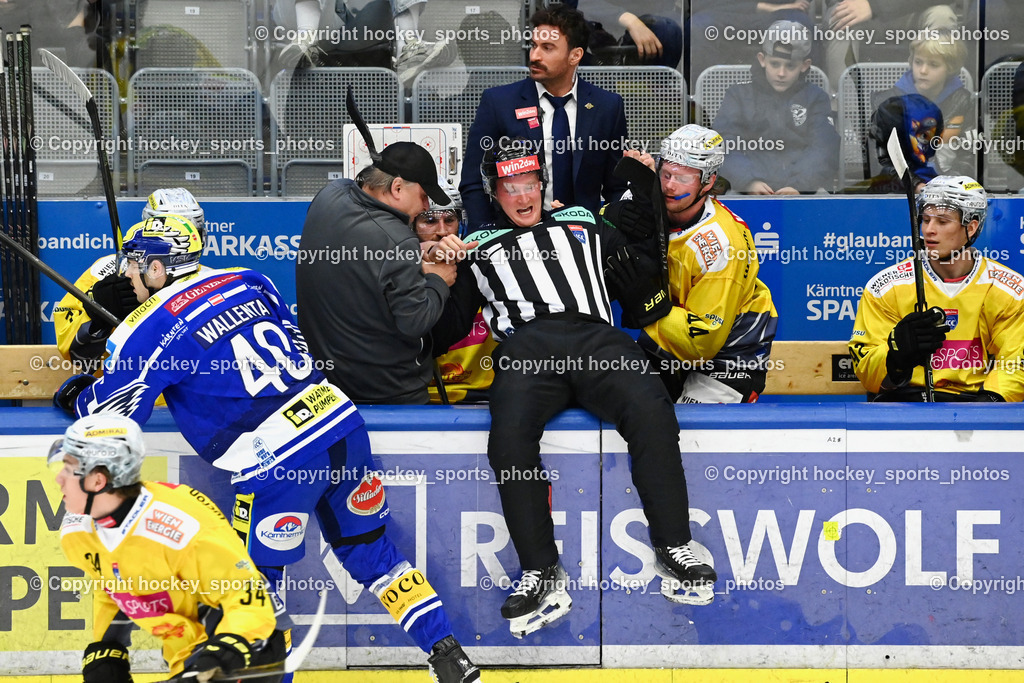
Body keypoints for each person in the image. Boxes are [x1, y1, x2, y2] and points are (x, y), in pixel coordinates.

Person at [52, 214, 481, 683]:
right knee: (372, 552)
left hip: (276, 459)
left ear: (158, 269)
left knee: (253, 591)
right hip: (340, 424)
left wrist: (75, 392)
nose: (127, 275)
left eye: (134, 265)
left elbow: (110, 420)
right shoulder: (248, 278)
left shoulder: (147, 327)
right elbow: (294, 344)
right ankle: (451, 658)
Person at [438, 138, 716, 638]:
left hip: (597, 340)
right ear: (493, 193)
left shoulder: (584, 220)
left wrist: (640, 253)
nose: (523, 197)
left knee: (652, 409)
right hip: (528, 348)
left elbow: (641, 276)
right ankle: (539, 568)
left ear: (543, 185)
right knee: (508, 437)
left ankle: (675, 543)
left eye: (530, 184)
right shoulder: (475, 245)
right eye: (510, 188)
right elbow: (443, 330)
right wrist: (442, 271)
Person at [50, 414, 287, 682]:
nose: (59, 478)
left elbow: (249, 598)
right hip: (184, 651)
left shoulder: (182, 530)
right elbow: (114, 582)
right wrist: (107, 648)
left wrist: (218, 658)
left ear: (98, 480)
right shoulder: (78, 534)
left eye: (69, 469)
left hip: (250, 645)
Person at [602, 124, 778, 403]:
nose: (670, 185)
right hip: (668, 343)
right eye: (666, 173)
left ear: (708, 182)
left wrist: (647, 304)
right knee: (621, 400)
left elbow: (701, 344)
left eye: (683, 178)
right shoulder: (649, 200)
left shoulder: (722, 245)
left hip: (729, 358)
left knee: (697, 429)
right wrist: (609, 215)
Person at [296, 140, 474, 405]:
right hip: (389, 391)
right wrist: (438, 278)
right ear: (397, 188)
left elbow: (363, 258)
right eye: (424, 196)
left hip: (328, 384)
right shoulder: (398, 239)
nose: (426, 207)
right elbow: (415, 322)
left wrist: (419, 251)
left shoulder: (330, 195)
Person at [849, 175, 1024, 402]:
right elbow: (866, 368)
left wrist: (988, 404)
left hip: (975, 407)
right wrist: (895, 357)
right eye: (925, 219)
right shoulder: (887, 286)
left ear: (971, 227)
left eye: (942, 221)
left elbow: (1015, 363)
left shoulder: (1010, 290)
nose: (929, 230)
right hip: (904, 406)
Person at [460, 4, 629, 229]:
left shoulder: (607, 106)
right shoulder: (499, 102)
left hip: (586, 239)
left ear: (575, 55)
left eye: (547, 48)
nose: (534, 55)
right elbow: (473, 181)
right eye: (533, 45)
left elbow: (616, 187)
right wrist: (487, 239)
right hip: (515, 238)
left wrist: (609, 235)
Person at [53, 187, 206, 373]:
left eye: (186, 230)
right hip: (122, 395)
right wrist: (97, 315)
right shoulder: (104, 270)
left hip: (179, 399)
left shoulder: (212, 280)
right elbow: (70, 351)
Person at [713, 20, 839, 194]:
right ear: (762, 60)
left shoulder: (816, 98)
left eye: (790, 66)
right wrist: (748, 181)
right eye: (774, 64)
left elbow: (824, 148)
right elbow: (723, 143)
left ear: (804, 66)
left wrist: (799, 185)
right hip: (746, 190)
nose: (781, 73)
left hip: (804, 190)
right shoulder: (738, 96)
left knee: (823, 201)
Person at [412, 178, 496, 404]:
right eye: (429, 221)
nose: (442, 231)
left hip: (481, 396)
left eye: (450, 220)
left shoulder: (482, 264)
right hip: (418, 397)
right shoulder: (396, 269)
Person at [871, 31, 976, 177]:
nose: (923, 71)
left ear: (950, 68)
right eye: (918, 62)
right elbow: (881, 162)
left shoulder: (963, 101)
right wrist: (915, 184)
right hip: (901, 193)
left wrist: (951, 182)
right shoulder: (887, 103)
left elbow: (970, 156)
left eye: (933, 65)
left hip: (950, 189)